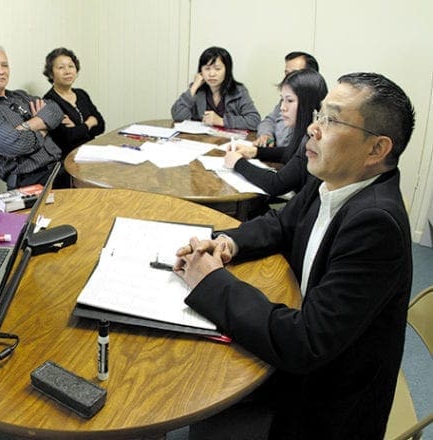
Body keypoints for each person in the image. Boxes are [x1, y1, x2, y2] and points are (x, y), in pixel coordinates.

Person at [174, 72, 414, 439]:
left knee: (198, 386)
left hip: (327, 404)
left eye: (331, 120)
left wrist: (210, 280)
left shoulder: (376, 223)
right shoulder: (330, 178)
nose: (312, 130)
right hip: (308, 361)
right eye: (319, 115)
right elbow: (280, 225)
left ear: (377, 149)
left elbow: (306, 342)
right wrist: (228, 243)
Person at [0, 43, 69, 189]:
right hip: (30, 181)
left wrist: (29, 125)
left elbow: (55, 110)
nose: (1, 71)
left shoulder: (19, 96)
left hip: (57, 168)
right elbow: (18, 144)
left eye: (4, 65)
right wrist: (44, 127)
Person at [224, 69, 328, 196]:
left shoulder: (314, 139)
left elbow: (276, 184)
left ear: (308, 104)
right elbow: (291, 152)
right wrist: (255, 151)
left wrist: (237, 162)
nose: (283, 107)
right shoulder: (306, 134)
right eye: (282, 100)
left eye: (289, 100)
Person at [171, 46, 260, 130]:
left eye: (217, 69)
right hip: (201, 141)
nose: (212, 74)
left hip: (228, 142)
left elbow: (254, 121)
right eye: (207, 69)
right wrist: (194, 87)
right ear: (200, 71)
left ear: (227, 71)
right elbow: (178, 116)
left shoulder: (238, 91)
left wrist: (221, 121)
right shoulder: (197, 90)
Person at [42, 47, 105, 157]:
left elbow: (101, 126)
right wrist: (89, 123)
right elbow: (67, 138)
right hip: (70, 159)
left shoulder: (81, 94)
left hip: (91, 152)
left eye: (71, 66)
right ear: (51, 73)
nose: (67, 71)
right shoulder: (49, 101)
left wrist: (78, 128)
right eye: (61, 67)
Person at [255, 51, 320, 148]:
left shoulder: (314, 110)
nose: (287, 78)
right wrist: (266, 135)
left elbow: (293, 151)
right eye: (286, 73)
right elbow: (269, 121)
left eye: (294, 73)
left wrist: (258, 153)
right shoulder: (285, 100)